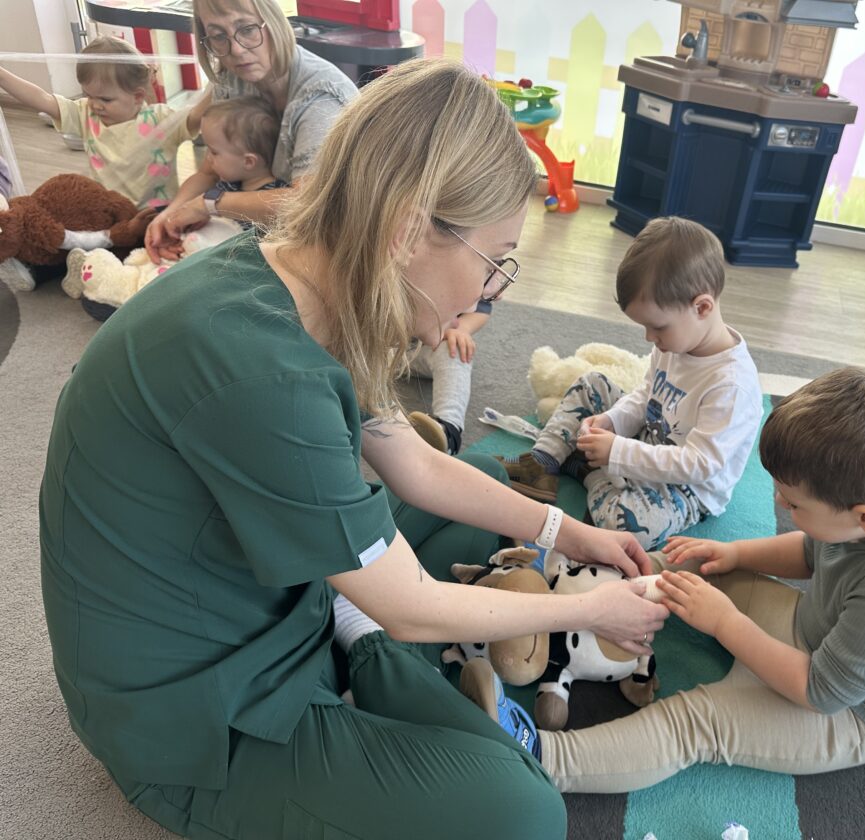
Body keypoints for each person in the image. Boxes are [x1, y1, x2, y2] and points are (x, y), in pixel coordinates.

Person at [39, 59, 668, 840]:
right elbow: (408, 606)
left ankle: (357, 628)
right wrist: (598, 607)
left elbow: (417, 463)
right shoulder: (263, 373)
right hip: (192, 717)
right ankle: (363, 641)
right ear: (408, 230)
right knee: (524, 815)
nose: (488, 293)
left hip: (260, 593)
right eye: (493, 261)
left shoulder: (297, 278)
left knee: (479, 484)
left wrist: (568, 533)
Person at [529, 366, 865, 793]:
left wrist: (724, 622)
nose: (778, 502)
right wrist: (736, 553)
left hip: (848, 710)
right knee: (701, 570)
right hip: (812, 630)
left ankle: (541, 758)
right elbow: (810, 551)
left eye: (794, 504)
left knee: (694, 724)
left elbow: (818, 690)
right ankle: (577, 588)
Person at [498, 217, 763, 550]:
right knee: (593, 383)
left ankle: (587, 472)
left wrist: (617, 452)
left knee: (629, 527)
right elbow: (646, 395)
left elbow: (699, 465)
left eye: (658, 327)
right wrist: (613, 420)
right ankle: (542, 462)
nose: (650, 338)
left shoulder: (731, 385)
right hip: (646, 442)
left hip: (685, 488)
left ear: (702, 307)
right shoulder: (673, 345)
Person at [145, 0, 359, 261]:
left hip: (332, 245)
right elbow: (210, 171)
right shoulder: (232, 82)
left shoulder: (322, 98)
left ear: (274, 23)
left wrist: (209, 204)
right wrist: (171, 215)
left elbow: (307, 203)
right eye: (218, 36)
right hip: (267, 234)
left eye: (247, 29)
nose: (236, 49)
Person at [61, 97, 289, 312]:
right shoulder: (227, 184)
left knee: (120, 300)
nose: (208, 159)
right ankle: (105, 276)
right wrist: (176, 227)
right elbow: (202, 213)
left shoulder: (272, 201)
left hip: (214, 277)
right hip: (189, 259)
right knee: (145, 256)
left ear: (249, 161)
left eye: (214, 152)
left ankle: (103, 280)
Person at [0, 35, 208, 209]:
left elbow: (198, 115)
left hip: (156, 214)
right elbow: (42, 100)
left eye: (105, 99)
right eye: (88, 95)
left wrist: (220, 80)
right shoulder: (85, 113)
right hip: (108, 213)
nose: (95, 105)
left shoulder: (160, 119)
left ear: (137, 96)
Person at [407, 296, 497, 455]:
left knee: (455, 348)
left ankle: (448, 431)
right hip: (379, 349)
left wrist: (460, 329)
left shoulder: (479, 287)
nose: (499, 295)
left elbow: (482, 306)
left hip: (419, 350)